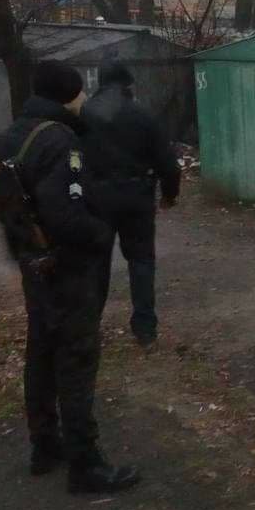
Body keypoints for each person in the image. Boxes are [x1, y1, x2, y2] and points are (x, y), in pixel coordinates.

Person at [0, 61, 140, 494]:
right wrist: (101, 234)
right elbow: (66, 215)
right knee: (75, 358)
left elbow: (7, 206)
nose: (82, 101)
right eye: (78, 94)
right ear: (68, 96)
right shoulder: (60, 142)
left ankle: (45, 445)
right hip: (68, 269)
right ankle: (86, 463)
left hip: (34, 265)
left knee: (40, 352)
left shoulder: (10, 137)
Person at [82, 60, 180, 347]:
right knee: (141, 261)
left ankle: (90, 325)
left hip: (97, 199)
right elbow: (167, 162)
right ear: (128, 85)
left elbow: (71, 156)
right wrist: (169, 194)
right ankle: (145, 329)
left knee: (96, 264)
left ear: (100, 83)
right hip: (136, 197)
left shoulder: (85, 116)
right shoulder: (143, 115)